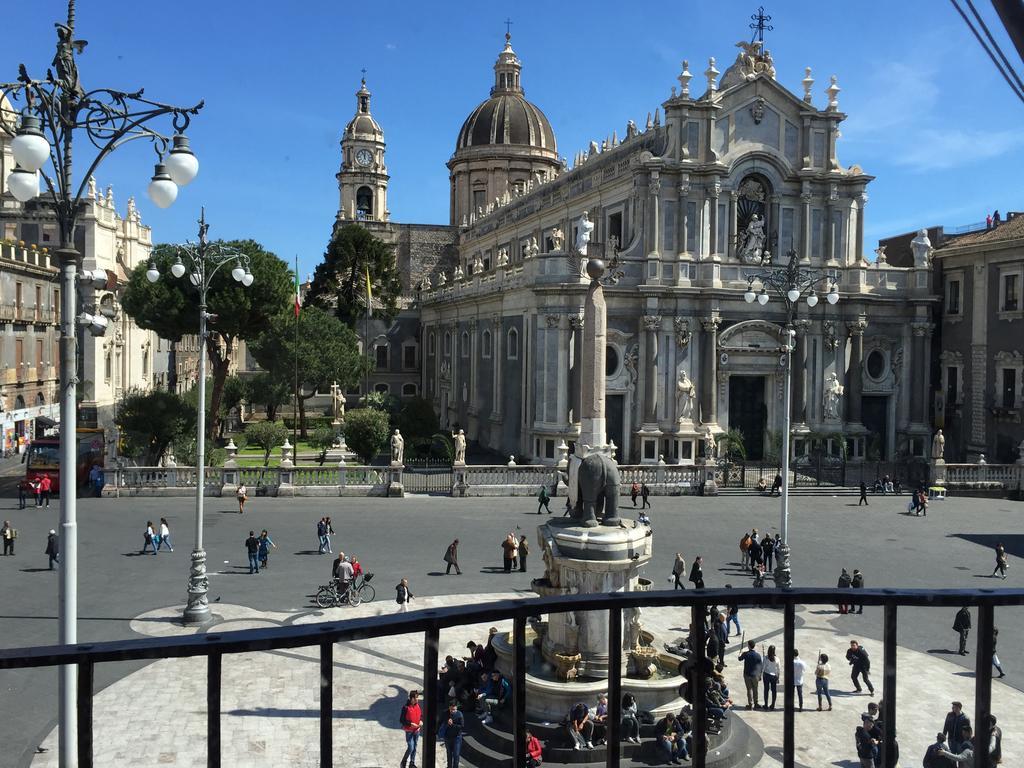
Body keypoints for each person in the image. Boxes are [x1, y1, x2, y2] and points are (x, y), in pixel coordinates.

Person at [400, 689, 423, 768]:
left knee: (415, 747)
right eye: (416, 698)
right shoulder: (406, 707)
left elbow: (420, 715)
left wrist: (420, 721)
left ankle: (412, 763)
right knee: (411, 747)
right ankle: (404, 761)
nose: (417, 699)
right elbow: (401, 720)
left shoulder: (417, 705)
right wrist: (410, 724)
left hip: (417, 730)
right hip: (409, 731)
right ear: (412, 698)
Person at [439, 700, 464, 768]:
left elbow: (461, 726)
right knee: (449, 754)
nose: (453, 711)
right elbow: (440, 722)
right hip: (447, 737)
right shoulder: (445, 713)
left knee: (456, 754)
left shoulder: (459, 715)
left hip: (457, 737)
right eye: (452, 709)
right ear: (449, 707)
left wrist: (452, 724)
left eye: (455, 709)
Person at [738, 640, 762, 710]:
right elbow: (760, 666)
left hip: (747, 674)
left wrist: (740, 653)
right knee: (755, 689)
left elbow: (739, 659)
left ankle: (750, 704)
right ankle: (756, 703)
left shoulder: (746, 654)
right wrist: (760, 675)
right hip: (755, 675)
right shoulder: (758, 655)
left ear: (749, 646)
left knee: (749, 689)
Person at [762, 644, 779, 710]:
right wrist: (778, 677)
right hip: (774, 676)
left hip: (766, 675)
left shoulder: (766, 658)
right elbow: (778, 669)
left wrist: (761, 674)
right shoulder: (777, 659)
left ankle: (766, 704)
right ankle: (773, 705)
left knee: (766, 690)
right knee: (774, 691)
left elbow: (763, 667)